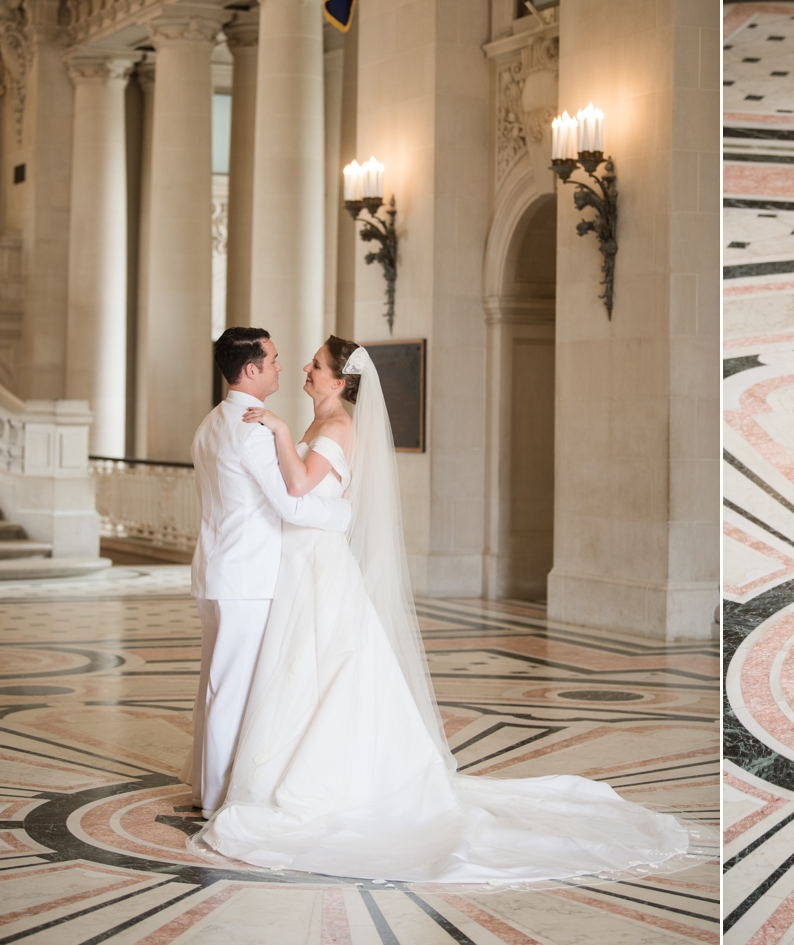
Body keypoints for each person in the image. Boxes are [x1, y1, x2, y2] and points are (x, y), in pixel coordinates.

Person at [195, 337, 693, 883]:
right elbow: (308, 497)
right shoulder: (314, 423)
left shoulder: (333, 426)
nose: (303, 369)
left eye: (315, 365)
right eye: (302, 362)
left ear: (339, 382)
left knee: (323, 668)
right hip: (295, 565)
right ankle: (268, 775)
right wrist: (294, 445)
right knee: (300, 673)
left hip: (314, 564)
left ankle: (322, 780)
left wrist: (285, 435)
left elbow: (298, 489)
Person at [185, 328, 353, 818]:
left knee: (214, 684)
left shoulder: (211, 421)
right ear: (252, 369)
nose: (285, 366)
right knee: (231, 688)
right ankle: (217, 800)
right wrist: (345, 517)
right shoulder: (253, 429)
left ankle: (206, 784)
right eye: (275, 360)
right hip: (247, 578)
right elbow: (292, 505)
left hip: (216, 571)